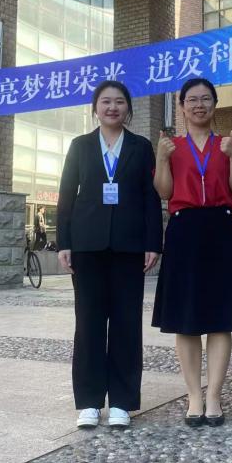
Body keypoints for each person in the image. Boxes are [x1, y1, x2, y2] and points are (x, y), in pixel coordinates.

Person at [57, 80, 163, 430]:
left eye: (119, 102)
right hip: (87, 247)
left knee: (126, 324)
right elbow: (66, 195)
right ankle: (88, 402)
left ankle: (121, 401)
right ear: (95, 108)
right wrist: (64, 242)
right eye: (106, 102)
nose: (112, 107)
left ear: (128, 108)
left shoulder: (140, 146)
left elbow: (150, 197)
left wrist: (153, 242)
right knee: (88, 324)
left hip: (129, 247)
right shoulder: (81, 145)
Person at [152, 78, 232, 428]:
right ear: (182, 106)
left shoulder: (227, 144)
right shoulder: (173, 146)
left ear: (215, 104)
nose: (199, 105)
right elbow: (164, 192)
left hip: (222, 228)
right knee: (186, 317)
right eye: (192, 100)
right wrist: (161, 159)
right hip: (184, 230)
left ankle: (214, 395)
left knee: (220, 317)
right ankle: (194, 395)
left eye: (206, 99)